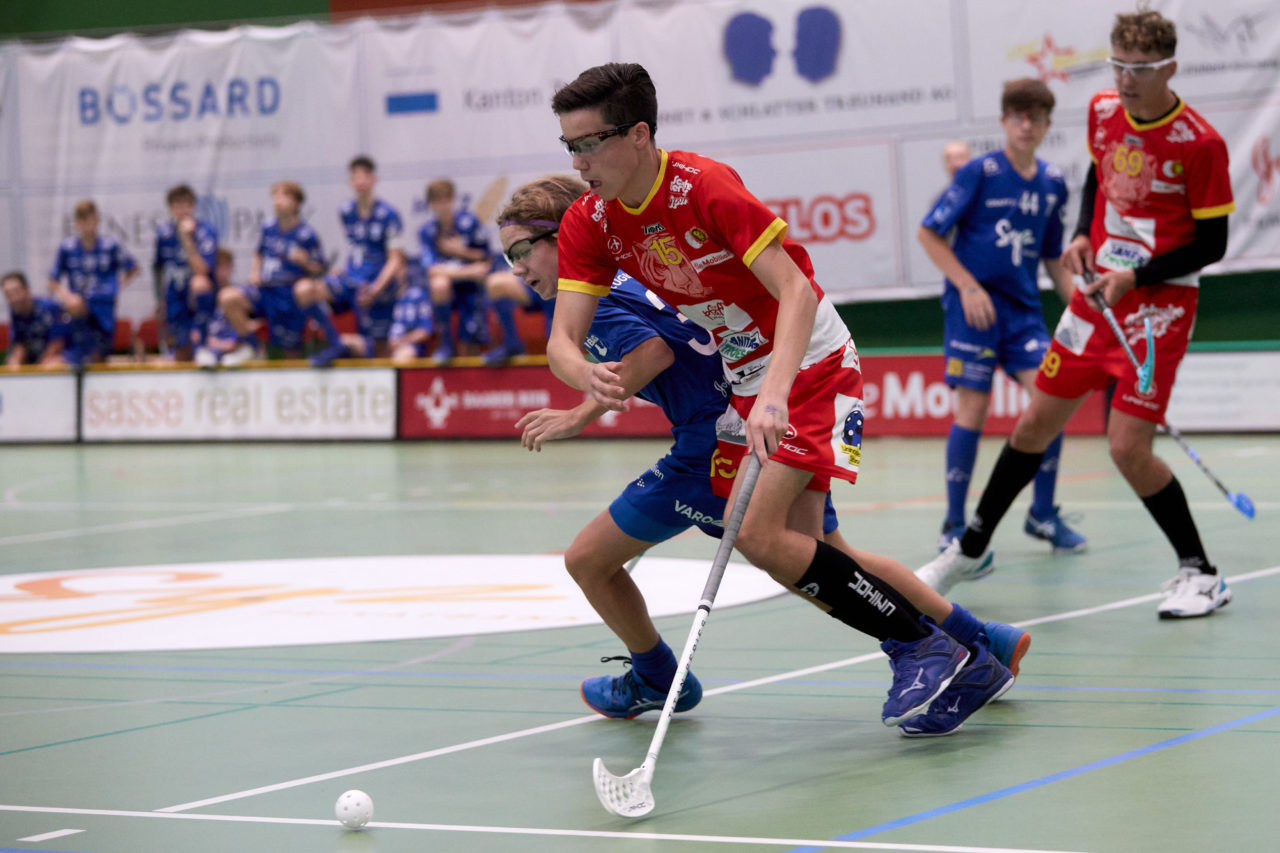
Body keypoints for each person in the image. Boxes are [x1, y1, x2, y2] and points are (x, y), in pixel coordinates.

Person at [546, 63, 1017, 736]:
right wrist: (581, 376)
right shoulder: (590, 223)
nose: (579, 161)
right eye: (568, 146)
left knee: (764, 536)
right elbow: (562, 339)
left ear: (640, 135)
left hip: (813, 362)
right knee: (810, 546)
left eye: (590, 143)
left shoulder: (703, 187)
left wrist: (771, 395)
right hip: (750, 377)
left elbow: (794, 288)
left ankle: (924, 648)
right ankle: (971, 652)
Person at [916, 8, 1235, 619]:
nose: (1126, 79)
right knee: (1035, 422)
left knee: (1126, 448)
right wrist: (1088, 237)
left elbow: (1213, 244)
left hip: (1158, 309)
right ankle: (970, 549)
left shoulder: (1201, 142)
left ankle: (1201, 572)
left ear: (1170, 67)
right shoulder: (1103, 112)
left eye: (1140, 69)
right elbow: (1099, 174)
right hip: (1097, 298)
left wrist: (1135, 277)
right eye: (1118, 65)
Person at [919, 79, 1086, 554]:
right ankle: (953, 525)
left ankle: (1043, 515)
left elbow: (1054, 257)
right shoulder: (979, 172)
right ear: (1004, 121)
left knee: (1049, 404)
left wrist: (1078, 307)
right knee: (973, 408)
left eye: (1035, 117)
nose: (1026, 124)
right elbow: (930, 234)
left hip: (1023, 312)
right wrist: (967, 285)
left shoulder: (1053, 183)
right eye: (1018, 115)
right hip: (972, 310)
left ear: (1047, 126)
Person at [296, 155, 407, 365]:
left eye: (366, 176)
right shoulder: (345, 211)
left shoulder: (389, 214)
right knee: (305, 290)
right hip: (350, 282)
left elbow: (395, 260)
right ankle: (336, 343)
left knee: (380, 349)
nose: (361, 181)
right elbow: (357, 249)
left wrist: (376, 288)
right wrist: (342, 271)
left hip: (377, 287)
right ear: (350, 182)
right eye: (356, 176)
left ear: (374, 180)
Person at [219, 181, 328, 364]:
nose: (278, 201)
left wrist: (305, 262)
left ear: (296, 202)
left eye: (284, 196)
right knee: (228, 297)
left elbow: (320, 268)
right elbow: (259, 252)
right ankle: (254, 348)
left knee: (290, 353)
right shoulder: (268, 228)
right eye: (275, 196)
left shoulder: (306, 234)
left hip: (289, 296)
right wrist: (254, 272)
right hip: (264, 292)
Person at [48, 200, 139, 363]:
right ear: (76, 223)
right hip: (79, 308)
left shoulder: (111, 246)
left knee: (98, 355)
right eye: (82, 220)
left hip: (103, 306)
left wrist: (116, 286)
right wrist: (68, 297)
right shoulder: (67, 248)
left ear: (97, 220)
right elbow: (53, 281)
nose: (87, 224)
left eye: (90, 219)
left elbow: (133, 268)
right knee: (76, 353)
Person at [419, 179, 495, 362]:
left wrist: (460, 252)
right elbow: (432, 270)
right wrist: (468, 271)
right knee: (439, 284)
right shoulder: (427, 231)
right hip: (454, 286)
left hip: (472, 287)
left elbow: (486, 259)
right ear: (430, 204)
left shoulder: (469, 223)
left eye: (446, 200)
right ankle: (445, 343)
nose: (443, 206)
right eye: (437, 201)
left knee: (469, 345)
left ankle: (472, 384)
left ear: (453, 200)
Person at [153, 184, 218, 361]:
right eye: (176, 205)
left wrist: (186, 239)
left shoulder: (206, 231)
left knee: (200, 283)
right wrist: (159, 300)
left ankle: (205, 349)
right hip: (175, 293)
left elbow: (203, 270)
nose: (181, 210)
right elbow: (158, 268)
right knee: (179, 343)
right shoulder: (164, 234)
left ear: (193, 206)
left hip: (200, 297)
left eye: (186, 205)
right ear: (170, 209)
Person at [481, 258, 554, 365]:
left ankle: (562, 343)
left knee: (554, 275)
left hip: (559, 276)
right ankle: (512, 345)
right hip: (532, 279)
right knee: (495, 283)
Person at [3, 271, 72, 369]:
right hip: (35, 359)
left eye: (16, 292)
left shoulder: (50, 307)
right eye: (8, 294)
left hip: (61, 354)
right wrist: (15, 362)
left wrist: (37, 369)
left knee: (50, 365)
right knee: (11, 364)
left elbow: (57, 344)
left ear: (26, 290)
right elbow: (19, 344)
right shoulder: (15, 312)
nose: (13, 298)